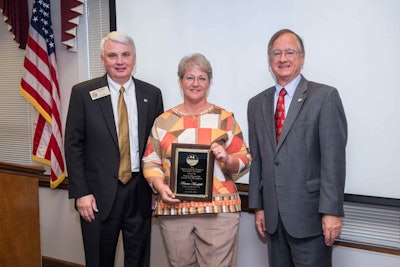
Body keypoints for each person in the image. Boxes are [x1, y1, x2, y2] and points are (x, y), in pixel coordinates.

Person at [247, 29, 347, 267]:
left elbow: (333, 160)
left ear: (302, 58)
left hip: (311, 218)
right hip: (273, 219)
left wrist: (332, 212)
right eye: (276, 53)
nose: (283, 59)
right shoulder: (256, 103)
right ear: (269, 61)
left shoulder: (324, 97)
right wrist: (258, 206)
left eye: (290, 52)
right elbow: (258, 160)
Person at [64, 31, 164, 267]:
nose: (120, 61)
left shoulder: (152, 94)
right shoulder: (83, 93)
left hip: (140, 192)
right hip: (97, 196)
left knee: (138, 260)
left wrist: (157, 188)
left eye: (125, 55)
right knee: (99, 259)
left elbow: (158, 146)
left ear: (134, 58)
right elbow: (73, 145)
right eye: (112, 55)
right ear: (102, 60)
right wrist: (81, 192)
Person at [142, 53, 251, 267]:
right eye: (190, 78)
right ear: (180, 81)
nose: (195, 83)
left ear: (209, 82)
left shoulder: (224, 118)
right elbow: (150, 161)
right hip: (175, 209)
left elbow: (244, 158)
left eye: (202, 78)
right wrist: (159, 186)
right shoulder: (163, 122)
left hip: (219, 212)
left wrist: (228, 158)